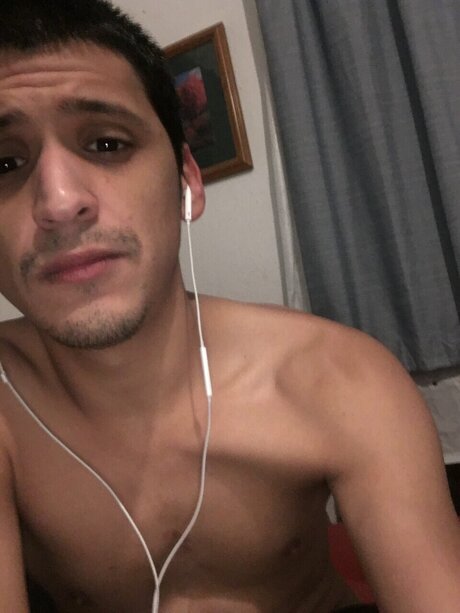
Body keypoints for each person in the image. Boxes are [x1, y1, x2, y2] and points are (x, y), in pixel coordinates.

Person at [0, 1, 458, 612]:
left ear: (186, 181)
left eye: (107, 143)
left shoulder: (341, 379)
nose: (59, 203)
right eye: (4, 163)